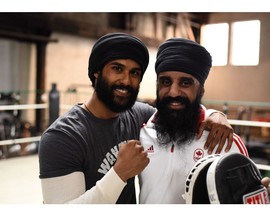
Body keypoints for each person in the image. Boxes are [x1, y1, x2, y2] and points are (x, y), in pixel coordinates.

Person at [38, 32, 234, 204]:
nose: (126, 80)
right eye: (117, 68)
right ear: (96, 72)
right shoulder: (63, 137)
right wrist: (119, 174)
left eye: (134, 73)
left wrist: (214, 115)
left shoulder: (138, 116)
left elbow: (175, 109)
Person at [138, 38, 270, 204]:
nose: (173, 92)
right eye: (166, 82)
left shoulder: (225, 141)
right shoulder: (141, 130)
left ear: (201, 89)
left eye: (185, 82)